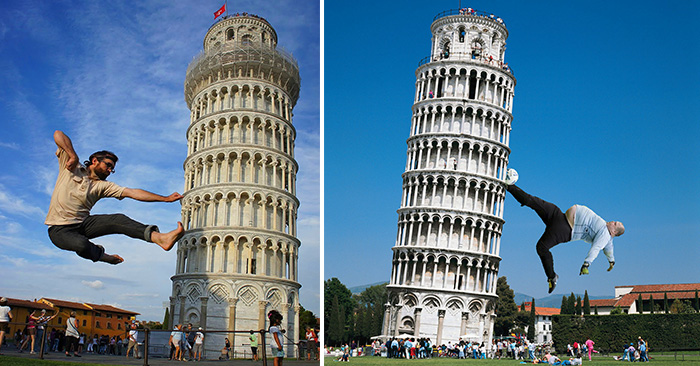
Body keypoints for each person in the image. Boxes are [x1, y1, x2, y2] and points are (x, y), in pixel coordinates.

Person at [45, 130, 185, 265]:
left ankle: (160, 238)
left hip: (83, 224)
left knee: (118, 219)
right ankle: (104, 257)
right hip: (59, 229)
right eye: (108, 165)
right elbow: (58, 134)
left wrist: (165, 198)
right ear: (94, 161)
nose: (110, 170)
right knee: (81, 245)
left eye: (112, 168)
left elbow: (133, 193)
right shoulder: (71, 167)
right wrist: (73, 156)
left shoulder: (104, 186)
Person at [504, 169, 625, 293]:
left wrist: (586, 263)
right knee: (532, 201)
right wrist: (611, 261)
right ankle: (508, 186)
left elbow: (597, 248)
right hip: (559, 216)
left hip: (565, 229)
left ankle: (552, 277)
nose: (612, 221)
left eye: (615, 224)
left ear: (614, 232)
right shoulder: (606, 234)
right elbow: (609, 249)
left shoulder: (605, 234)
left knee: (541, 247)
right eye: (614, 221)